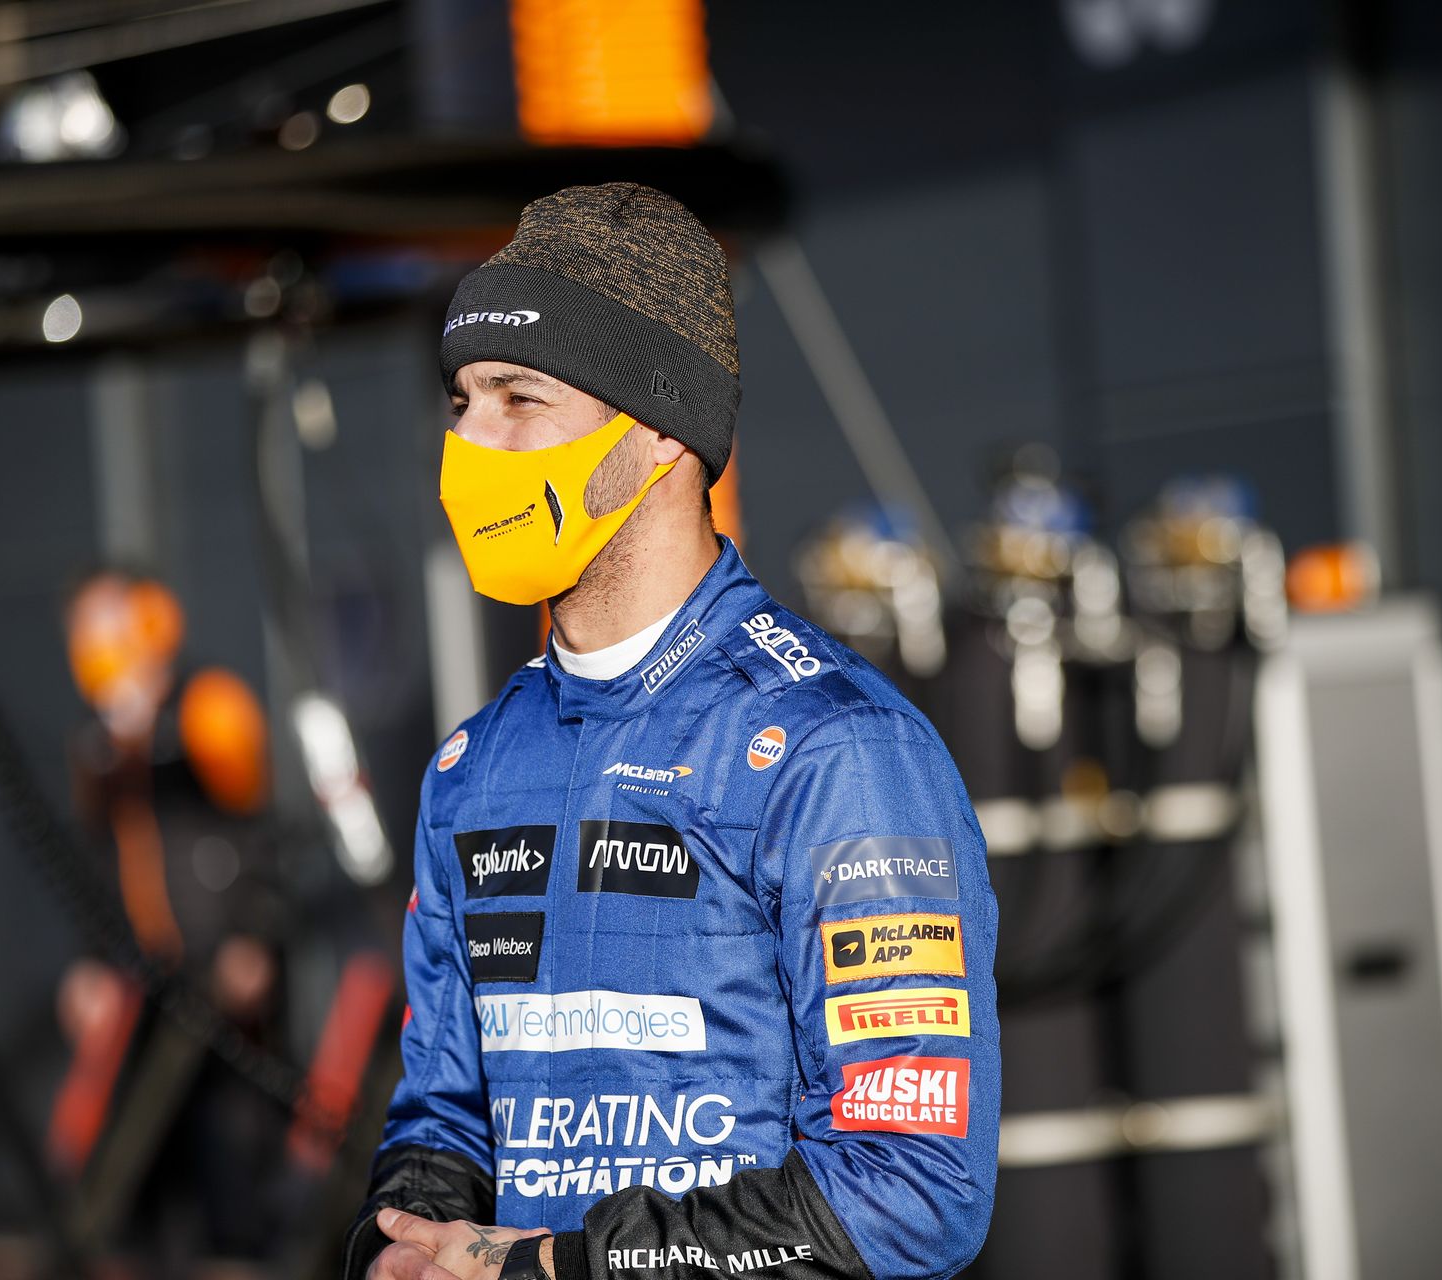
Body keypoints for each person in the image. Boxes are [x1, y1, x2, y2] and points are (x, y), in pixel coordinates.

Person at [343, 183, 999, 1280]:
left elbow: (913, 1187)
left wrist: (561, 1265)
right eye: (460, 400)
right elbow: (446, 1110)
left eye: (518, 396)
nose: (467, 441)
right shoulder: (475, 766)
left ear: (657, 429)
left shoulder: (836, 750)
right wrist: (399, 1239)